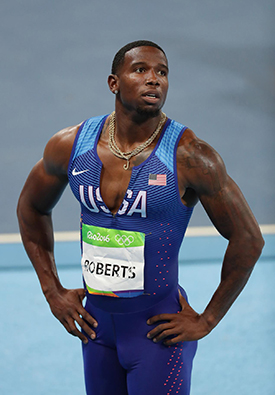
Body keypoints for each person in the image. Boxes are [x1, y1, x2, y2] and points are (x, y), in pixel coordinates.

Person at [17, 40, 264, 395]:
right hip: (96, 330)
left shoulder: (190, 157)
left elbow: (249, 239)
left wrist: (208, 319)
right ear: (113, 83)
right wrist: (52, 290)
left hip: (156, 334)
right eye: (141, 70)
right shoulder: (70, 146)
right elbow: (31, 208)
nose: (154, 80)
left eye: (162, 73)